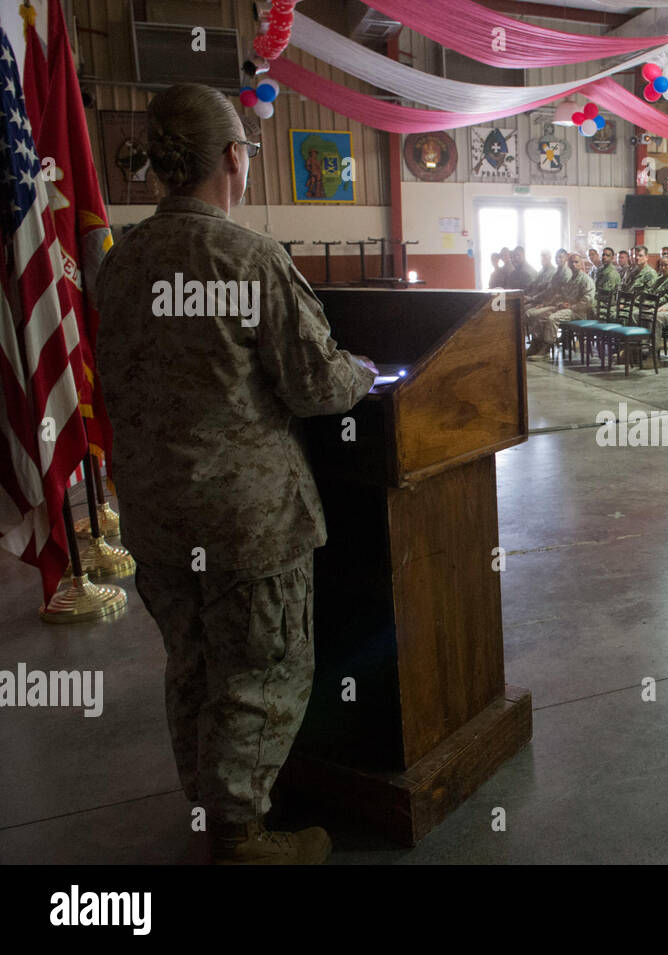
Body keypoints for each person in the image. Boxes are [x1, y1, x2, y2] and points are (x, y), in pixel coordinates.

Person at [95, 83, 376, 865]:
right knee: (262, 667)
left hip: (154, 515)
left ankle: (206, 811)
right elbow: (316, 384)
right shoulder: (248, 257)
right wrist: (360, 369)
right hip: (245, 520)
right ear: (232, 159)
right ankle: (240, 835)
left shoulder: (120, 265)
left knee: (191, 663)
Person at [526, 251, 596, 358]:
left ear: (581, 263)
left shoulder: (586, 280)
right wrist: (549, 304)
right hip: (564, 307)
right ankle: (537, 343)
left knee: (552, 318)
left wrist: (572, 306)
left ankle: (546, 348)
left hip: (578, 312)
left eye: (576, 262)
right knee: (539, 316)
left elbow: (587, 301)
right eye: (571, 262)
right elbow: (560, 295)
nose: (574, 264)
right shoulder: (570, 279)